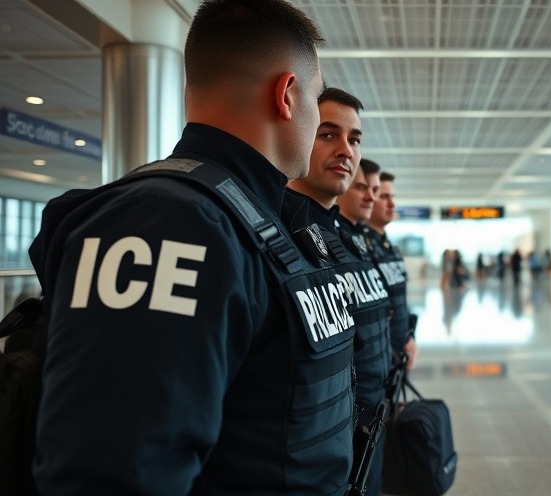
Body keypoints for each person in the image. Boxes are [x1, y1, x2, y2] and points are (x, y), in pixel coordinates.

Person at [27, 2, 356, 495]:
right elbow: (116, 469)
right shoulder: (166, 224)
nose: (316, 122)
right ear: (287, 94)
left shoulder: (252, 218)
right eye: (315, 97)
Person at [287, 100, 392, 496]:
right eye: (328, 134)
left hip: (357, 437)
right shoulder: (277, 233)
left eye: (355, 139)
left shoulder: (338, 243)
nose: (346, 150)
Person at [366, 169, 418, 369]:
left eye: (392, 197)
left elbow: (401, 300)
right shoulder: (360, 251)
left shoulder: (391, 249)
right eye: (384, 197)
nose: (392, 204)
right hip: (381, 359)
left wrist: (410, 337)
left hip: (399, 354)